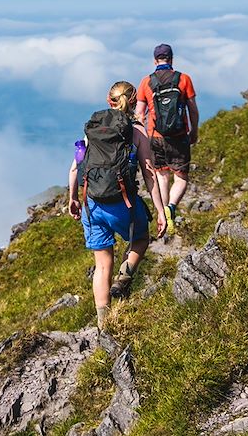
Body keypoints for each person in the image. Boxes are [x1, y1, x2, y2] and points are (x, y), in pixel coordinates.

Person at [68, 81, 167, 329]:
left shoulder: (93, 128)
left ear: (108, 100)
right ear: (134, 101)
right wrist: (160, 210)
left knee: (102, 264)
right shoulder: (136, 130)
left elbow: (75, 166)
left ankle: (105, 325)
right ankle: (124, 276)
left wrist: (73, 198)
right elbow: (149, 173)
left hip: (92, 203)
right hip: (123, 204)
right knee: (141, 239)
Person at [135, 43, 199, 234]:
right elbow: (193, 109)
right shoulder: (184, 79)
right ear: (171, 59)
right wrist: (194, 131)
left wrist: (143, 139)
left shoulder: (146, 82)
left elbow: (139, 114)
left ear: (155, 61)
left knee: (161, 175)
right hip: (179, 136)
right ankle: (171, 207)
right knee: (181, 177)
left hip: (155, 136)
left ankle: (163, 215)